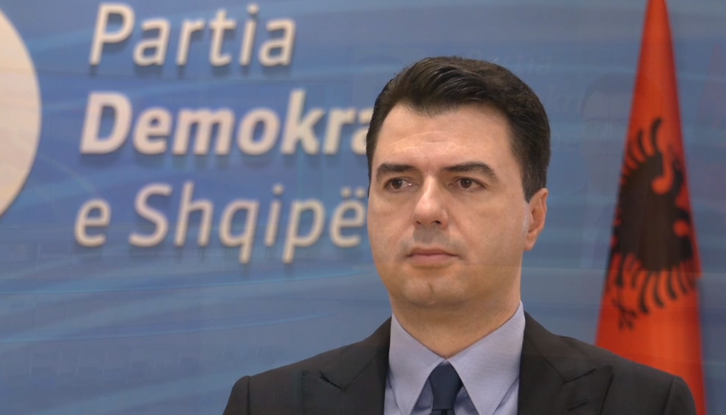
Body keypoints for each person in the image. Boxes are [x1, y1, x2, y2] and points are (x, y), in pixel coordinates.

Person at [222, 56, 697, 415]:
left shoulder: (643, 405)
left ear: (534, 218)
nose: (426, 210)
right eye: (398, 183)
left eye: (465, 182)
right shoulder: (267, 405)